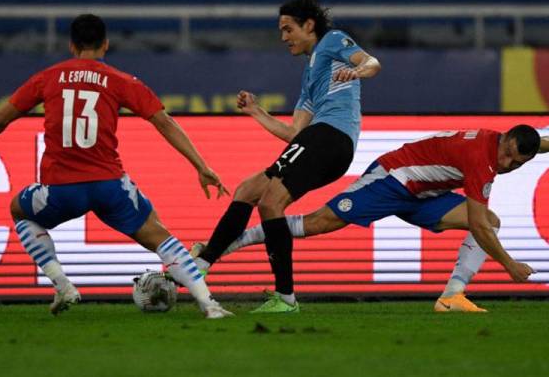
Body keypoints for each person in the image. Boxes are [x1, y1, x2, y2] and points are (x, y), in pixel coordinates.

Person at [0, 14, 233, 319]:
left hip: (61, 190)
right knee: (159, 235)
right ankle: (210, 305)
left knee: (19, 209)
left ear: (72, 45)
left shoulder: (47, 77)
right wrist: (201, 165)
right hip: (108, 186)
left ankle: (62, 285)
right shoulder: (120, 80)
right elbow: (164, 122)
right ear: (106, 45)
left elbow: (0, 118)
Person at [198, 125, 549, 312]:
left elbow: (540, 144)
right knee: (318, 223)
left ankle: (452, 297)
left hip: (423, 195)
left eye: (516, 162)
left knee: (492, 220)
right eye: (506, 155)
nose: (507, 164)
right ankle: (222, 247)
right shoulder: (481, 160)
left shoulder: (508, 147)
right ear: (503, 140)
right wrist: (508, 264)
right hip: (392, 179)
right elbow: (476, 224)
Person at [192, 0, 381, 313]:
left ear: (309, 25)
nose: (284, 38)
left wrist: (357, 72)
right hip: (316, 139)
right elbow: (294, 133)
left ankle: (285, 297)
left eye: (288, 29)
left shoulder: (333, 40)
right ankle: (205, 264)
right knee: (249, 189)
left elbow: (372, 63)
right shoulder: (310, 78)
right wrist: (256, 112)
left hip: (331, 138)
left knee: (270, 203)